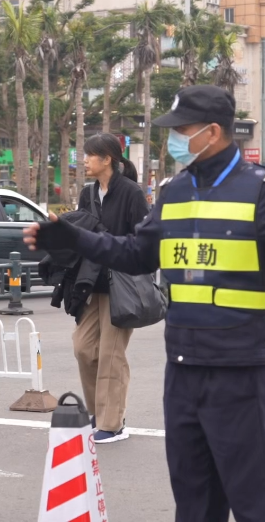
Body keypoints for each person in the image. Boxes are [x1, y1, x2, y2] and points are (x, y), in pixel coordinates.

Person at [24, 84, 265, 521]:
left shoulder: (261, 188)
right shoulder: (175, 191)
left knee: (252, 500)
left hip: (238, 371)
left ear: (213, 132)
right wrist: (74, 237)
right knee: (194, 502)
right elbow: (135, 253)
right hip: (182, 370)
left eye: (182, 130)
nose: (175, 139)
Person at [74, 133, 148, 443]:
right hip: (92, 283)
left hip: (122, 285)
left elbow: (144, 241)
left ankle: (113, 423)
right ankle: (99, 411)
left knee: (111, 354)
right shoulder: (88, 193)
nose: (84, 160)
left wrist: (112, 247)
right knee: (83, 348)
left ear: (107, 159)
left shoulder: (131, 193)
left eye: (90, 155)